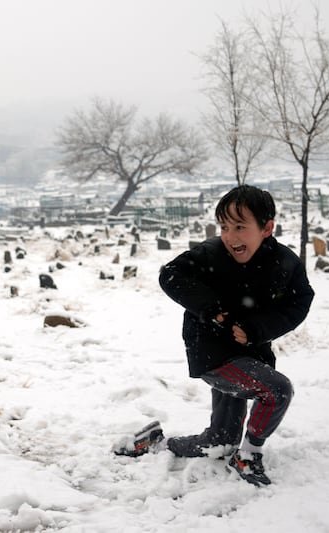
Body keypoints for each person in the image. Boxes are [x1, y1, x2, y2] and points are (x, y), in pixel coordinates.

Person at [115, 185, 314, 486]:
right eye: (224, 227)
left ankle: (156, 442)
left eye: (240, 227)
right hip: (212, 351)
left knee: (221, 440)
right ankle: (248, 457)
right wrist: (211, 309)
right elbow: (170, 275)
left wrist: (257, 329)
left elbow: (299, 302)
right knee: (277, 391)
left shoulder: (284, 263)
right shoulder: (211, 253)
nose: (231, 236)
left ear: (267, 228)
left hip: (251, 352)